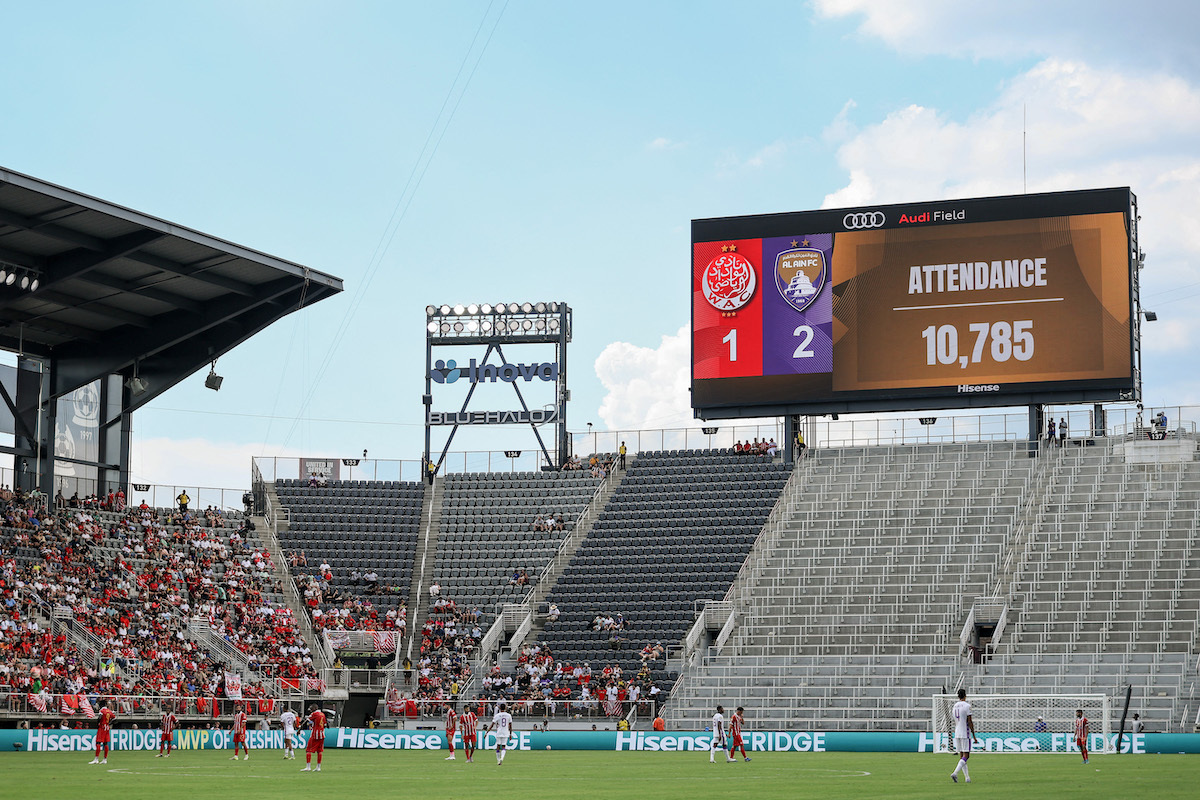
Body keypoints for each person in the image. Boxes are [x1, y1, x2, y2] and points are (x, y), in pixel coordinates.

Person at [950, 689, 978, 783]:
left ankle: (967, 778)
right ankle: (955, 773)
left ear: (958, 696)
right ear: (965, 696)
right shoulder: (967, 706)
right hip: (965, 733)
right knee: (967, 755)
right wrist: (974, 735)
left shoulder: (954, 706)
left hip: (957, 732)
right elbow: (969, 721)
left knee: (962, 756)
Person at [486, 701, 514, 766]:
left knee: (498, 746)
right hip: (505, 732)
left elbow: (492, 724)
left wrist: (487, 732)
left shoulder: (497, 715)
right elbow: (510, 725)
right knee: (504, 746)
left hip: (499, 732)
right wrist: (510, 734)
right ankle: (502, 758)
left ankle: (498, 760)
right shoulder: (508, 715)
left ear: (499, 708)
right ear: (505, 708)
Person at [302, 703, 326, 772]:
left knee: (308, 750)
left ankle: (308, 767)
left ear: (313, 709)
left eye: (311, 709)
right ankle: (318, 767)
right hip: (322, 734)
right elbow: (324, 724)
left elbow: (307, 721)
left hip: (315, 734)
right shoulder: (322, 714)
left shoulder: (314, 714)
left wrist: (299, 730)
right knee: (319, 751)